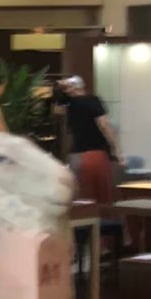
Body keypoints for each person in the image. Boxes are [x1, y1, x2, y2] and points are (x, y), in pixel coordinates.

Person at [55, 74, 122, 203]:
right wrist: (116, 149)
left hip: (76, 155)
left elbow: (57, 111)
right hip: (95, 154)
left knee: (80, 199)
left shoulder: (70, 105)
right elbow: (104, 125)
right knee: (100, 197)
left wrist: (59, 91)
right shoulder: (91, 101)